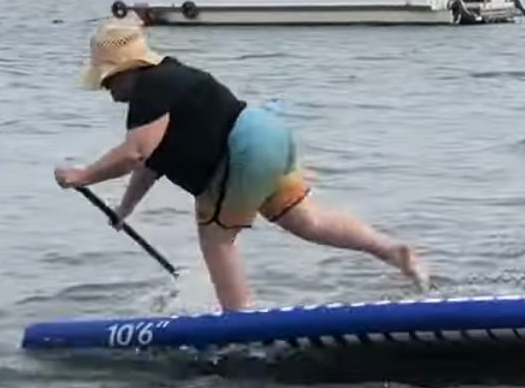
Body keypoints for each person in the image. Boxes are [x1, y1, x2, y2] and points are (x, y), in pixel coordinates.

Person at [53, 17, 429, 311]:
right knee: (306, 220)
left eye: (107, 81)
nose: (107, 90)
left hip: (242, 152)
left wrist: (82, 175)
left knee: (216, 237)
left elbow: (134, 153)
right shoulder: (171, 77)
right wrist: (125, 209)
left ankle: (240, 320)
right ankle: (391, 251)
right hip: (269, 135)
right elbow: (150, 162)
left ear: (127, 70)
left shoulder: (150, 90)